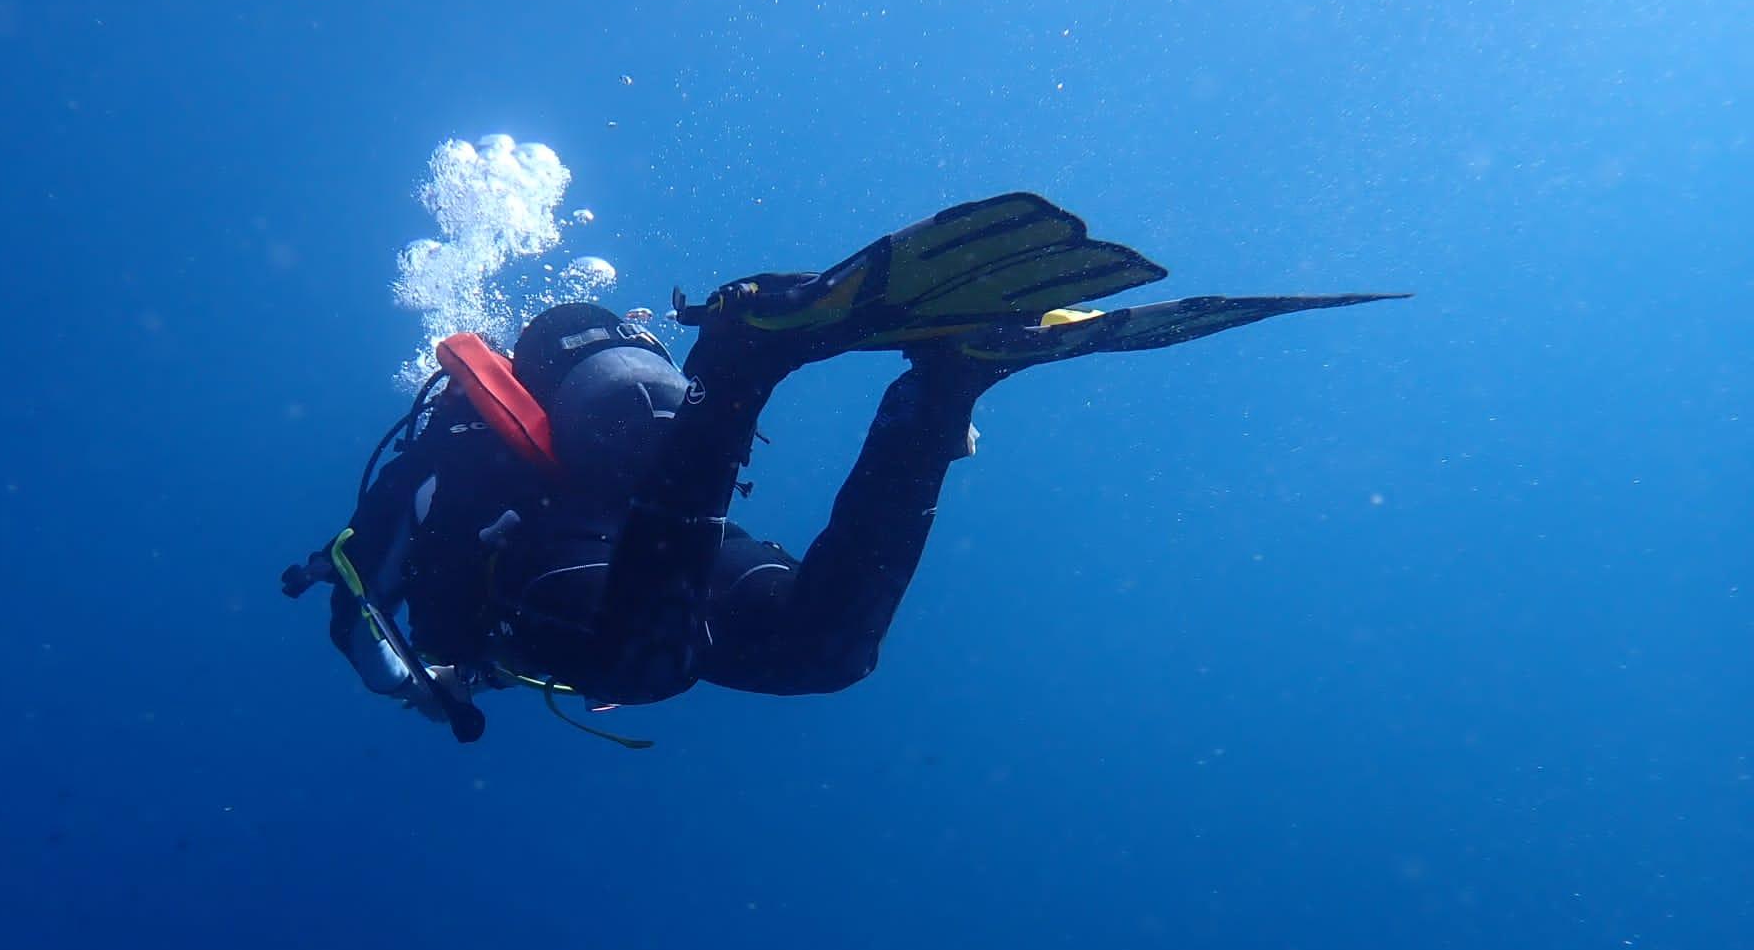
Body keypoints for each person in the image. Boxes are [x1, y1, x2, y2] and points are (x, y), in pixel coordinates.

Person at [281, 193, 1404, 743]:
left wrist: (433, 686)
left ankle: (739, 369)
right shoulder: (521, 438)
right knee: (823, 652)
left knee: (653, 657)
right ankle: (938, 394)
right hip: (670, 517)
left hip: (566, 560)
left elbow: (379, 634)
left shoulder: (458, 461)